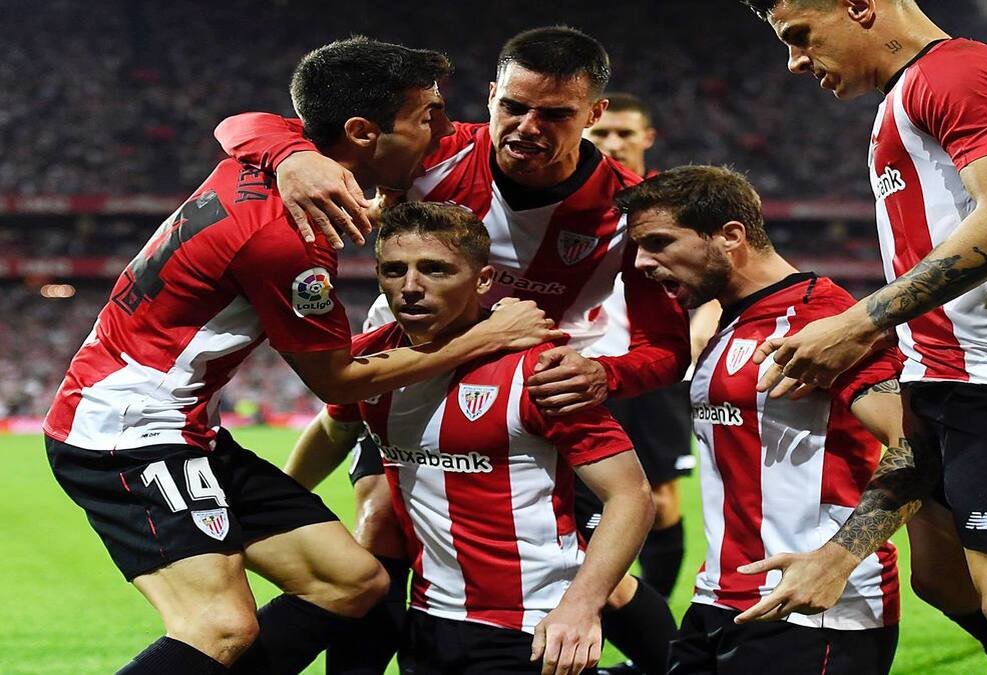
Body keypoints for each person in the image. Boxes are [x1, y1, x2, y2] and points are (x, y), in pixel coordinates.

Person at [42, 37, 560, 675]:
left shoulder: (280, 154)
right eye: (427, 115)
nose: (443, 130)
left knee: (351, 582)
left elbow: (241, 124)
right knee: (218, 629)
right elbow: (338, 381)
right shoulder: (286, 239)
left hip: (179, 424)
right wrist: (481, 339)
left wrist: (288, 153)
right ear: (363, 132)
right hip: (126, 431)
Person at [214, 26, 687, 675]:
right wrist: (288, 156)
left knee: (571, 558)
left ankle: (681, 662)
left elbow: (666, 347)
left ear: (594, 114)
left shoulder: (628, 209)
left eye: (554, 114)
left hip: (529, 387)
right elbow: (245, 124)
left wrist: (602, 372)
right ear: (491, 95)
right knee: (380, 523)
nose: (527, 126)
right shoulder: (435, 151)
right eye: (513, 107)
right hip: (406, 367)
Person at [739, 2, 987, 674]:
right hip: (950, 375)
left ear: (860, 6)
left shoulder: (961, 73)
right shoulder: (904, 98)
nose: (795, 61)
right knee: (942, 578)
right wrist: (837, 557)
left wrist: (860, 323)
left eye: (799, 37)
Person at [294, 201, 654, 675]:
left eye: (435, 270)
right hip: (428, 624)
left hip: (531, 626)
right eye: (394, 271)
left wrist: (581, 606)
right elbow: (333, 428)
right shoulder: (371, 362)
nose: (412, 288)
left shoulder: (539, 369)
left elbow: (631, 496)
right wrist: (281, 504)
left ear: (483, 280)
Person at [618, 165, 916, 674]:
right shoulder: (728, 320)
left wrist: (837, 560)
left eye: (660, 242)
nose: (643, 262)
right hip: (720, 599)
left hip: (811, 611)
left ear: (731, 235)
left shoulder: (821, 319)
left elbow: (916, 446)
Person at [583, 94, 692, 603]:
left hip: (649, 373)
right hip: (581, 365)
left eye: (625, 133)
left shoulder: (670, 206)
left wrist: (698, 333)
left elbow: (715, 283)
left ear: (647, 138)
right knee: (581, 497)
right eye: (602, 134)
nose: (613, 143)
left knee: (660, 499)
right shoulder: (568, 203)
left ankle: (656, 624)